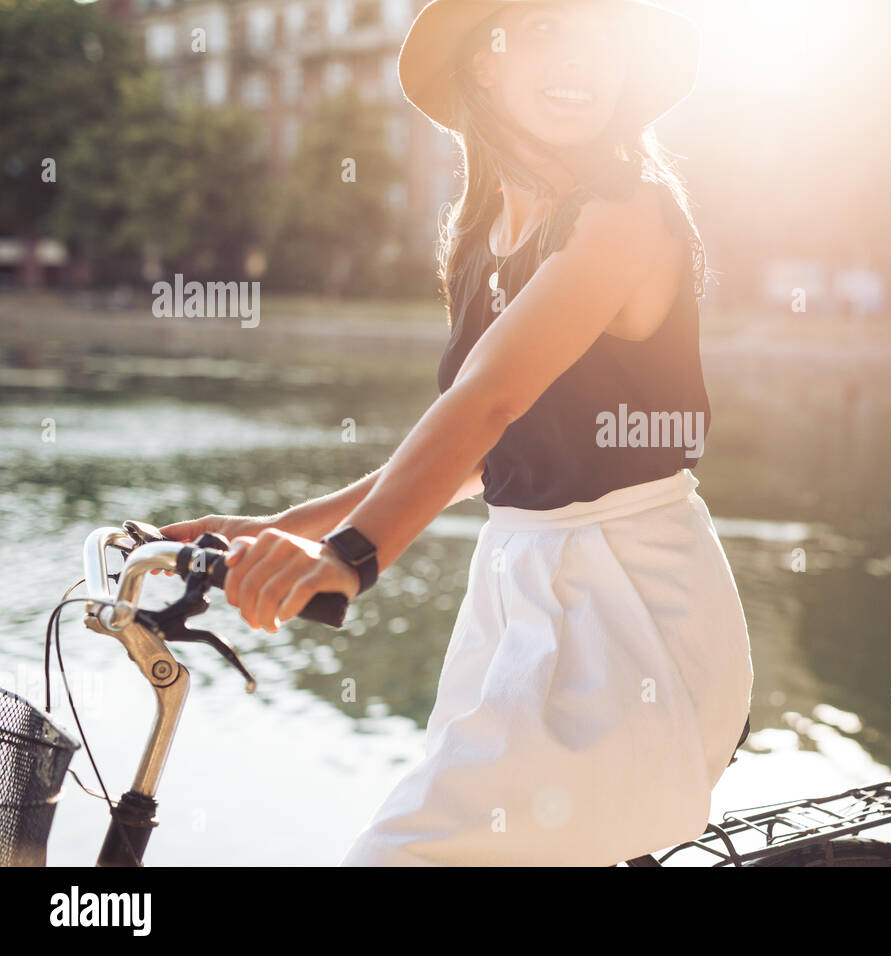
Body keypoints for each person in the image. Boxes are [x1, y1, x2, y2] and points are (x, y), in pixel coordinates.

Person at [158, 0, 754, 866]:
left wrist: (351, 558)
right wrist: (286, 529)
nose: (580, 56)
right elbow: (478, 450)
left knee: (402, 857)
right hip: (521, 593)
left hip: (633, 608)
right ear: (486, 62)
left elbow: (489, 398)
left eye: (600, 33)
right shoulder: (482, 237)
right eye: (546, 28)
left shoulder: (627, 214)